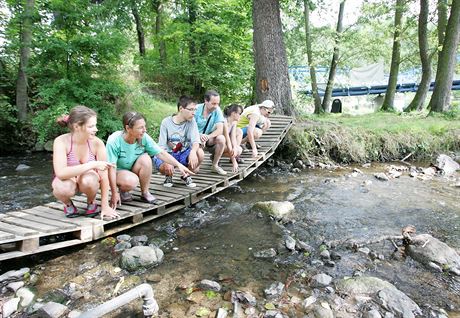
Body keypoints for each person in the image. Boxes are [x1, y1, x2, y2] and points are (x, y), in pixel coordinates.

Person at [106, 112, 194, 206]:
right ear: (128, 128)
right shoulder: (114, 140)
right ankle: (122, 191)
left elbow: (160, 153)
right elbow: (111, 168)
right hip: (117, 172)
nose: (144, 130)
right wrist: (114, 194)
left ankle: (145, 193)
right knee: (131, 181)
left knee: (146, 158)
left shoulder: (143, 137)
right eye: (140, 127)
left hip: (132, 169)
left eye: (145, 126)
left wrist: (178, 165)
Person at [52, 105, 119, 220]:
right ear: (77, 126)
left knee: (89, 179)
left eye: (95, 125)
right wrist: (92, 164)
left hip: (88, 180)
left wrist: (105, 206)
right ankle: (68, 205)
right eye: (91, 126)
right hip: (69, 180)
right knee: (61, 187)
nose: (96, 129)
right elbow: (61, 173)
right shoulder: (61, 141)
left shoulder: (97, 143)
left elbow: (104, 176)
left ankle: (91, 203)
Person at [154, 96, 204, 188]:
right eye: (191, 109)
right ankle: (168, 176)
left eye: (195, 110)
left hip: (183, 152)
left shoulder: (191, 121)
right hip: (169, 153)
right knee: (163, 164)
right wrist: (166, 161)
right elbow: (161, 146)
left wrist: (193, 152)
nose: (194, 113)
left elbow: (196, 141)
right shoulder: (166, 122)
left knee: (199, 153)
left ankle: (185, 175)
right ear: (181, 108)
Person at [194, 90, 227, 175]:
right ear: (206, 101)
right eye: (213, 103)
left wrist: (207, 137)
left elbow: (220, 129)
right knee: (195, 171)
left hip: (207, 138)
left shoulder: (217, 110)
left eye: (217, 103)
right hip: (194, 138)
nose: (216, 106)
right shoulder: (196, 109)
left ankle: (215, 165)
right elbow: (188, 128)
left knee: (221, 138)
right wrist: (199, 136)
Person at [222, 104, 244, 173]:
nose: (240, 116)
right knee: (237, 150)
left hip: (225, 143)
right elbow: (228, 140)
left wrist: (234, 147)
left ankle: (234, 156)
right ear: (234, 113)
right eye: (239, 114)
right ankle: (215, 156)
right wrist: (234, 162)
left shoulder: (234, 122)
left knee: (238, 149)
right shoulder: (224, 121)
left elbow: (233, 137)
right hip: (218, 144)